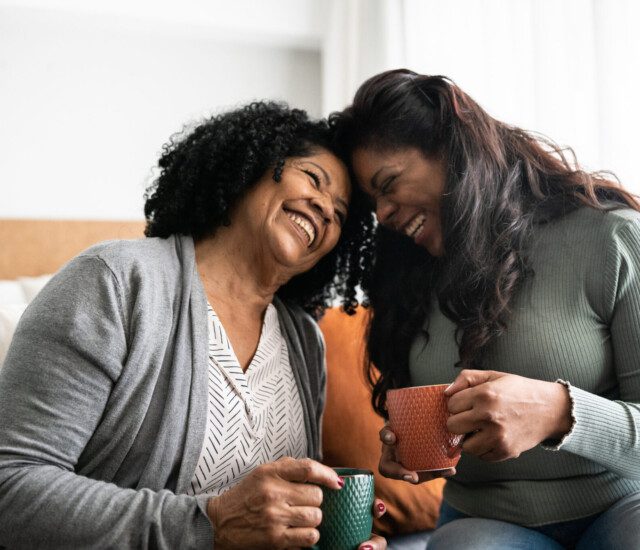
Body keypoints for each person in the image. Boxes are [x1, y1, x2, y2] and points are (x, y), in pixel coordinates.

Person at [0, 101, 386, 549]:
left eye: (339, 215)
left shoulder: (304, 340)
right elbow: (12, 487)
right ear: (250, 167)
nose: (323, 208)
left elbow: (282, 513)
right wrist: (209, 523)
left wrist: (326, 534)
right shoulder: (115, 281)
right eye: (313, 179)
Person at [329, 69, 640, 549]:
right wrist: (413, 448)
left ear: (452, 147)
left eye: (389, 184)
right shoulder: (408, 278)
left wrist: (560, 412)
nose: (384, 214)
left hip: (621, 509)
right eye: (374, 205)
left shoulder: (611, 237)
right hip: (486, 523)